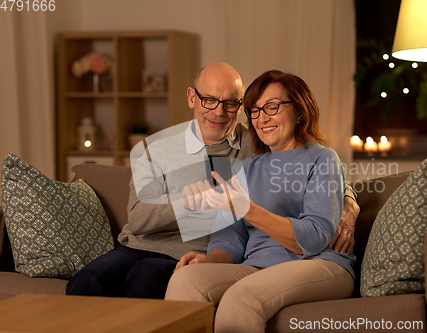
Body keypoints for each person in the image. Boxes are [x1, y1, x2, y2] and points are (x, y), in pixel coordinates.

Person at [66, 63, 359, 299]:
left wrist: (348, 204)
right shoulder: (154, 149)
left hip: (194, 251)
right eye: (209, 100)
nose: (219, 112)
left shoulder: (255, 140)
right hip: (138, 245)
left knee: (147, 277)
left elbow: (310, 164)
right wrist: (188, 203)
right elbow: (139, 218)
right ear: (192, 97)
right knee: (86, 281)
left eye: (230, 104)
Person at [165, 70, 356, 333]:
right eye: (254, 110)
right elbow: (229, 239)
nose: (261, 117)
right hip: (257, 267)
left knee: (241, 298)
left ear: (300, 110)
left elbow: (314, 237)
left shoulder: (323, 159)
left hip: (320, 263)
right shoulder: (245, 169)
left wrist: (249, 210)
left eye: (272, 107)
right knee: (184, 280)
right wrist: (210, 261)